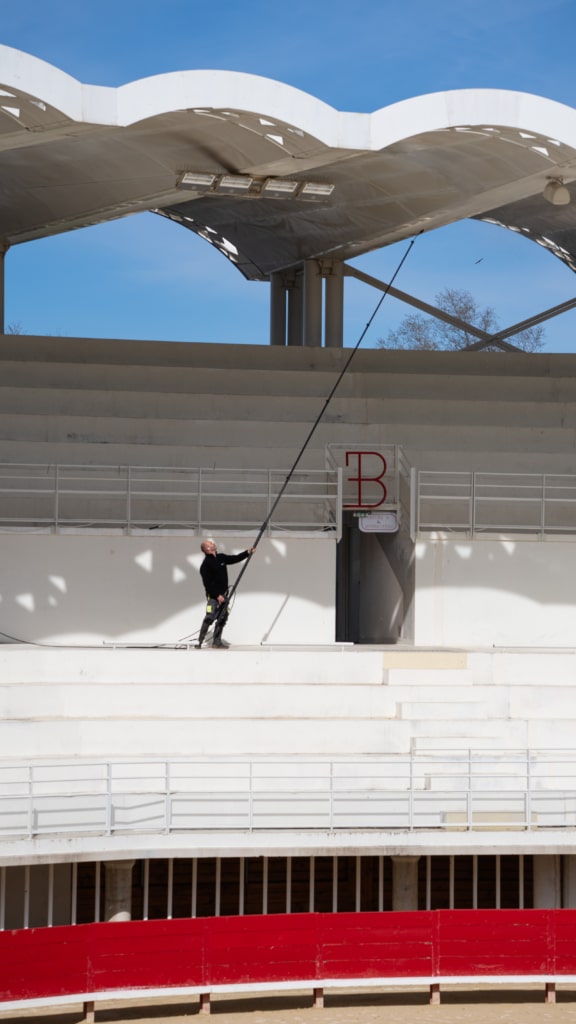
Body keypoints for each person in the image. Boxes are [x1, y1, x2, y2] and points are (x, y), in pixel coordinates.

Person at [195, 539, 255, 649]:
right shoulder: (205, 565)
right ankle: (199, 642)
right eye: (210, 543)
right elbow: (207, 584)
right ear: (207, 549)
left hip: (224, 595)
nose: (213, 543)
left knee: (222, 618)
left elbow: (235, 558)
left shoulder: (221, 557)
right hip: (213, 596)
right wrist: (217, 595)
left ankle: (216, 642)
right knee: (210, 617)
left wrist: (247, 552)